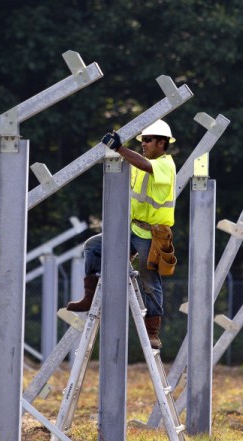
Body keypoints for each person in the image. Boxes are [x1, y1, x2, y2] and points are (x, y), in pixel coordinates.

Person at [67, 119, 177, 349]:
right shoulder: (141, 163)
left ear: (161, 143)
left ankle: (153, 331)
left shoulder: (166, 164)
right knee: (93, 247)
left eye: (148, 140)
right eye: (143, 140)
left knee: (150, 281)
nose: (144, 144)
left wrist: (119, 147)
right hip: (132, 228)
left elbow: (146, 166)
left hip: (152, 234)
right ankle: (89, 297)